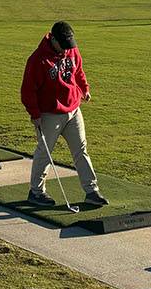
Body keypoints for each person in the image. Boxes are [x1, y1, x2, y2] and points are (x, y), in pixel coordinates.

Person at [20, 21, 107, 208]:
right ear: (53, 39)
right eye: (63, 44)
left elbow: (78, 71)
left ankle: (91, 191)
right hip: (48, 114)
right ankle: (36, 192)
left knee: (81, 149)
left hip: (74, 109)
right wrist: (35, 114)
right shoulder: (37, 60)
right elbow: (28, 91)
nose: (67, 49)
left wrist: (84, 88)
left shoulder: (71, 50)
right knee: (45, 153)